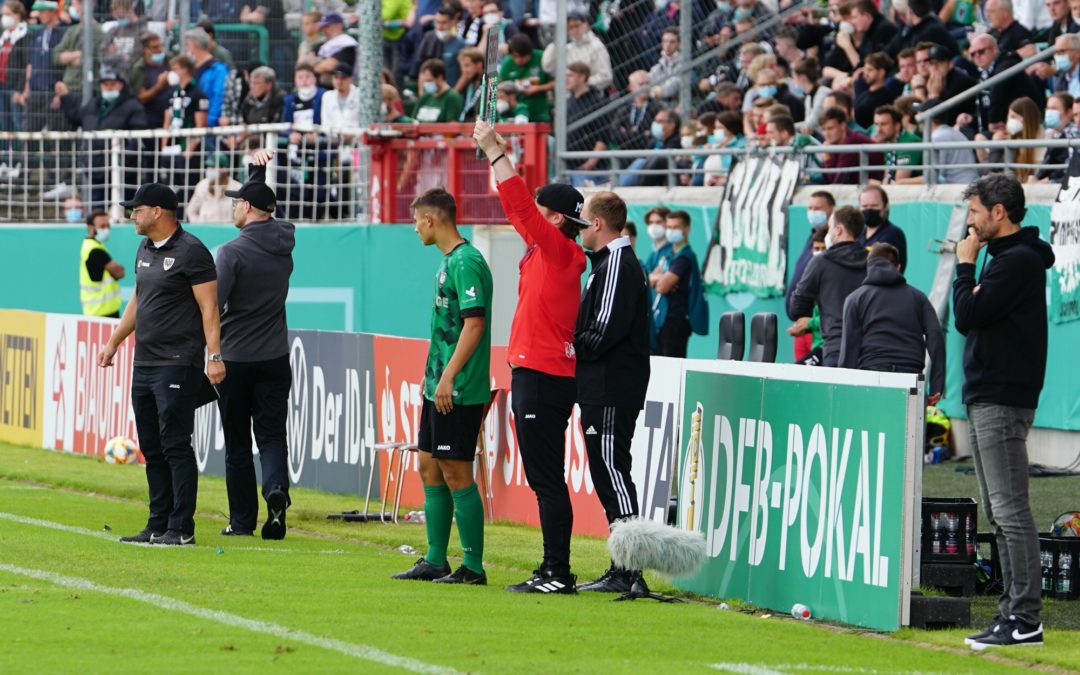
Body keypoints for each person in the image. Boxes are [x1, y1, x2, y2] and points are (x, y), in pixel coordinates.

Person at [473, 120, 585, 594]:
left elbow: (520, 207)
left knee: (546, 480)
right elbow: (518, 209)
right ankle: (553, 569)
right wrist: (496, 156)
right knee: (546, 478)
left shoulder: (559, 251)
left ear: (556, 218)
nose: (533, 216)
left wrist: (497, 152)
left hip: (542, 374)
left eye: (544, 211)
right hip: (538, 372)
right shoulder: (550, 250)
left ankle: (557, 571)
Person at [956, 173, 1054, 651]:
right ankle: (1010, 614)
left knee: (1011, 510)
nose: (969, 222)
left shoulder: (1016, 262)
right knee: (997, 509)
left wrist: (963, 269)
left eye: (975, 212)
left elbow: (966, 315)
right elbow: (971, 313)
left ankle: (1025, 618)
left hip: (1002, 394)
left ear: (999, 212)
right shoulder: (1006, 260)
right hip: (986, 392)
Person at [98, 183, 224, 546]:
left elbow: (209, 309)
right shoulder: (143, 248)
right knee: (151, 446)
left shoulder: (192, 252)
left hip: (178, 361)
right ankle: (157, 522)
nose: (132, 215)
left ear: (158, 212)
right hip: (146, 361)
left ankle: (181, 527)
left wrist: (213, 356)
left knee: (175, 444)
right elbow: (138, 300)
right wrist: (114, 342)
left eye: (137, 209)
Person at [392, 187, 492, 586]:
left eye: (416, 221)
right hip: (439, 386)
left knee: (456, 472)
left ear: (431, 220)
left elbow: (474, 323)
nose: (415, 228)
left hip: (460, 388)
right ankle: (435, 559)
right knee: (428, 466)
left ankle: (473, 566)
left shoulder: (467, 261)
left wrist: (449, 376)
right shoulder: (448, 262)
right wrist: (433, 375)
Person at [573, 190, 652, 594]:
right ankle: (623, 563)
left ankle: (630, 568)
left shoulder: (618, 263)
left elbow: (602, 330)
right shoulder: (606, 263)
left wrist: (569, 345)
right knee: (607, 470)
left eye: (584, 219)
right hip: (601, 384)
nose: (580, 227)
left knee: (613, 470)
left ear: (598, 223)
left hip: (611, 385)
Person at [216, 151, 295, 539]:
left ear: (247, 207)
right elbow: (267, 211)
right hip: (276, 356)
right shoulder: (286, 244)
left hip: (235, 358)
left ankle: (242, 520)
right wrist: (258, 176)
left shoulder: (231, 252)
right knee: (271, 435)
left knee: (236, 442)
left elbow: (213, 307)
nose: (233, 207)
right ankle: (276, 489)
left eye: (237, 202)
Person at [839, 243, 944, 402]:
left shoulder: (854, 299)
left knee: (874, 425)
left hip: (872, 374)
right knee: (907, 426)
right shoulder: (919, 298)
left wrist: (844, 387)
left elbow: (850, 346)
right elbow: (935, 335)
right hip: (911, 377)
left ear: (868, 267)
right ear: (899, 267)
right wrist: (937, 385)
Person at [788, 205, 869, 367]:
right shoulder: (873, 261)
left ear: (838, 230)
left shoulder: (820, 262)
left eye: (830, 227)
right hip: (870, 350)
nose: (828, 232)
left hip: (835, 349)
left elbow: (797, 308)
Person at [649, 210, 705, 358]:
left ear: (687, 229)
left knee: (671, 371)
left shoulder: (684, 257)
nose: (671, 231)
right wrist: (660, 278)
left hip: (676, 322)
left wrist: (659, 280)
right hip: (662, 321)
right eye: (669, 227)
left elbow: (662, 287)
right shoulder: (669, 256)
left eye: (676, 227)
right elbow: (648, 280)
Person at [541, 10, 612, 90]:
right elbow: (547, 67)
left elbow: (606, 76)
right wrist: (556, 43)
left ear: (586, 25)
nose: (574, 30)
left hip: (590, 96)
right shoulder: (568, 48)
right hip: (569, 97)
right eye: (570, 27)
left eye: (577, 25)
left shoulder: (596, 46)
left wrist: (581, 84)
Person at [819, 106, 882, 184]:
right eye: (823, 129)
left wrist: (828, 158)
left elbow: (837, 181)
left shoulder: (852, 141)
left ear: (842, 126)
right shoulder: (833, 143)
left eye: (830, 128)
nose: (826, 134)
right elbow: (827, 180)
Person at [80, 210, 125, 317]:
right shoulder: (95, 250)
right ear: (91, 228)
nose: (106, 229)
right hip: (102, 311)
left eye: (108, 225)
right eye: (102, 226)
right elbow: (120, 272)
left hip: (99, 310)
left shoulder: (90, 244)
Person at [499, 33, 552, 123]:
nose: (519, 60)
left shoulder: (541, 57)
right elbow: (501, 88)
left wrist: (537, 89)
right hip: (515, 115)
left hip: (539, 114)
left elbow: (557, 82)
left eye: (523, 57)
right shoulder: (507, 64)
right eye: (516, 56)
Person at [857, 185, 907, 272]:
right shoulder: (859, 234)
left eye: (874, 206)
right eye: (865, 206)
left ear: (885, 206)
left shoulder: (893, 234)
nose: (869, 210)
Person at [185, 28, 228, 129]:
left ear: (195, 45)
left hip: (208, 128)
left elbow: (219, 97)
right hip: (191, 125)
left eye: (188, 45)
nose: (187, 49)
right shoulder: (190, 70)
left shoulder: (218, 70)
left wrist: (209, 123)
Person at [413, 6, 465, 85]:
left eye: (444, 22)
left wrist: (454, 92)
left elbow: (465, 73)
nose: (440, 27)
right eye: (437, 22)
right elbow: (421, 66)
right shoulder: (429, 38)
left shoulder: (460, 44)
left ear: (453, 22)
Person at [131, 32, 172, 130]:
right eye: (154, 47)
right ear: (145, 50)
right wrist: (159, 86)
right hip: (150, 120)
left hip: (171, 117)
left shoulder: (169, 60)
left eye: (160, 46)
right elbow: (140, 98)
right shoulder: (139, 69)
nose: (159, 50)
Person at [873, 105, 921, 184]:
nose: (878, 129)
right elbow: (887, 178)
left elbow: (898, 180)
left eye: (883, 124)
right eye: (876, 124)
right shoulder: (888, 143)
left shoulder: (909, 142)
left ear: (897, 126)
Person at [187, 155, 242, 223]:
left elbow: (240, 214)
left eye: (213, 167)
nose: (209, 169)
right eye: (209, 167)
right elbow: (191, 210)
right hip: (205, 230)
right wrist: (198, 224)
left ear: (223, 168)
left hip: (228, 230)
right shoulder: (202, 185)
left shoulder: (236, 187)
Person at [412, 58, 463, 123]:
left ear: (439, 78)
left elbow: (452, 125)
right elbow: (413, 121)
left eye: (429, 81)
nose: (426, 84)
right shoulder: (425, 97)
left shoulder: (452, 97)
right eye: (424, 81)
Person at [314, 12, 358, 79]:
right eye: (323, 27)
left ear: (338, 26)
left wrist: (314, 65)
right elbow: (304, 61)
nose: (324, 30)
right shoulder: (323, 44)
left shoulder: (347, 43)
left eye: (327, 26)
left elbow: (328, 66)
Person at [320, 61, 360, 132]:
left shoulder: (359, 94)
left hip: (356, 138)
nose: (339, 81)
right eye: (336, 77)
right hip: (333, 140)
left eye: (343, 78)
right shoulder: (327, 96)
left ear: (350, 79)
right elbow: (326, 123)